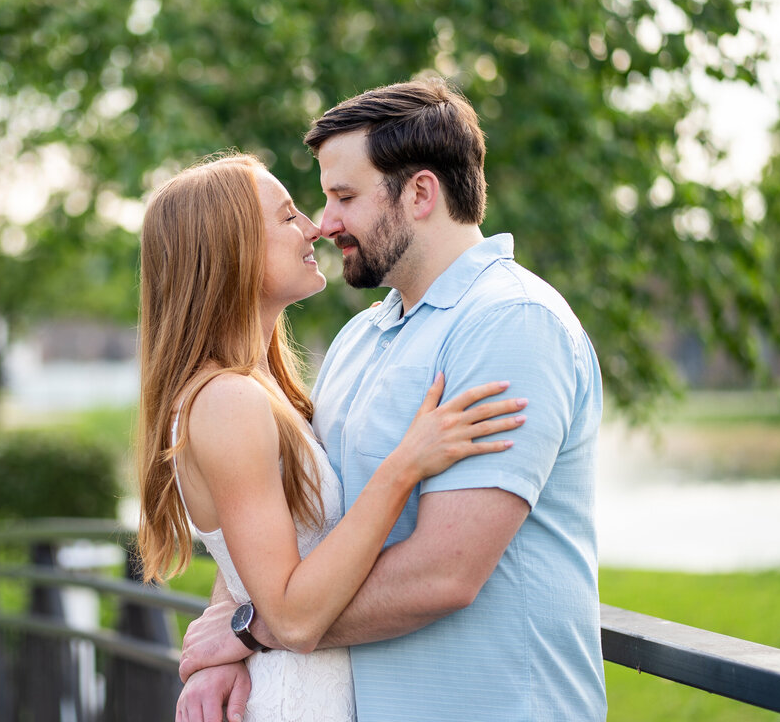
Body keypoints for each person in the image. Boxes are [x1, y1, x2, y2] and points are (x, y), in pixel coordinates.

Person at [178, 79, 607, 722]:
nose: (326, 225)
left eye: (345, 197)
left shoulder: (510, 323)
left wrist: (257, 629)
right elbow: (289, 521)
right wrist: (228, 640)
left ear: (420, 193)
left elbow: (445, 573)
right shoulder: (359, 338)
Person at [136, 153, 529, 722]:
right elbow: (293, 616)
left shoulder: (262, 389)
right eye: (289, 215)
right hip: (295, 698)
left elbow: (257, 551)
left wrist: (234, 627)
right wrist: (405, 466)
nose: (315, 228)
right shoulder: (228, 400)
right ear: (231, 247)